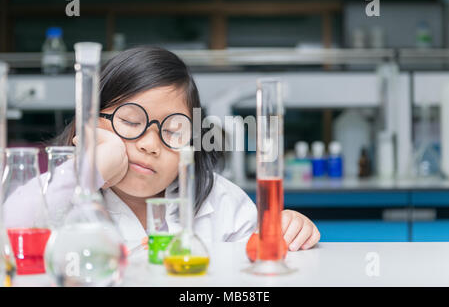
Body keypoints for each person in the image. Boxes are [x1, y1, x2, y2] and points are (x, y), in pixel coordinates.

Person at [5, 46, 320, 252]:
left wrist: (289, 228)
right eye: (130, 121)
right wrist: (91, 169)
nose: (150, 144)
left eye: (172, 131)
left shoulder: (219, 201)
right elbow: (9, 225)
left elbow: (256, 262)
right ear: (89, 123)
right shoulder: (61, 194)